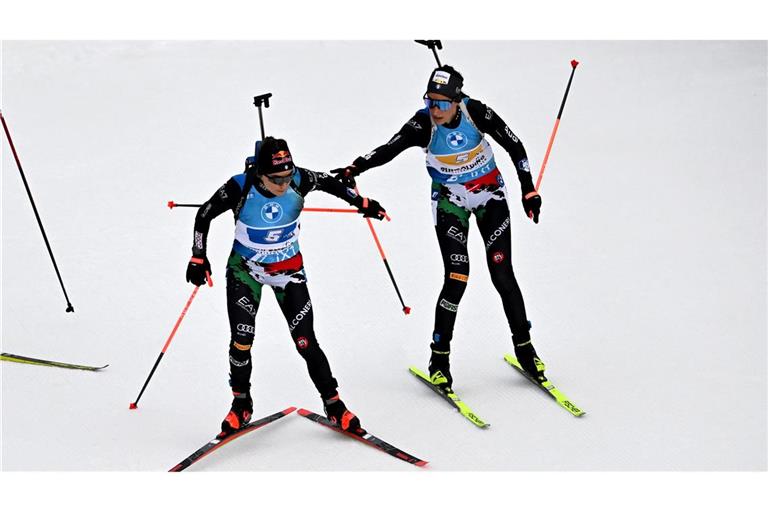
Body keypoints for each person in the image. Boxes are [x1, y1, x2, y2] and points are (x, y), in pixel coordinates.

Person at [332, 65, 546, 390]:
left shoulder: (477, 113)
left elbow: (515, 146)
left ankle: (525, 348)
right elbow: (390, 148)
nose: (435, 109)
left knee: (502, 272)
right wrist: (355, 167)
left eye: (442, 103)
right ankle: (439, 359)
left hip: (490, 196)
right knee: (457, 277)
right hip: (450, 202)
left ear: (457, 101)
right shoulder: (423, 123)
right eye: (430, 101)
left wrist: (527, 189)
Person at [186, 136, 386, 438]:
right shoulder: (239, 186)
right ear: (260, 174)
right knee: (242, 340)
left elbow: (331, 183)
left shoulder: (299, 178)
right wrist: (198, 257)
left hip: (289, 272)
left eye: (287, 176)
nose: (283, 183)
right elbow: (204, 214)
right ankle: (241, 404)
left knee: (306, 341)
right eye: (276, 178)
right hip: (246, 272)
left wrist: (362, 203)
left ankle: (334, 405)